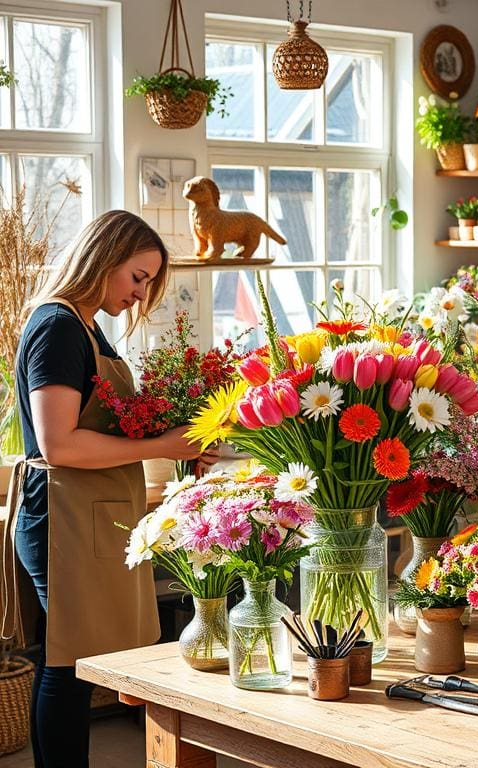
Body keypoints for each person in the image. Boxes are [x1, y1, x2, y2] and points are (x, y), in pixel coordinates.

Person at [1, 210, 216, 767]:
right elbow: (59, 445)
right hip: (62, 518)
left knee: (75, 664)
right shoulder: (58, 326)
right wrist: (161, 444)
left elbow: (96, 427)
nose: (141, 293)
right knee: (69, 665)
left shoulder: (86, 325)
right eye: (137, 277)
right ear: (103, 259)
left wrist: (172, 433)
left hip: (85, 513)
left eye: (149, 282)